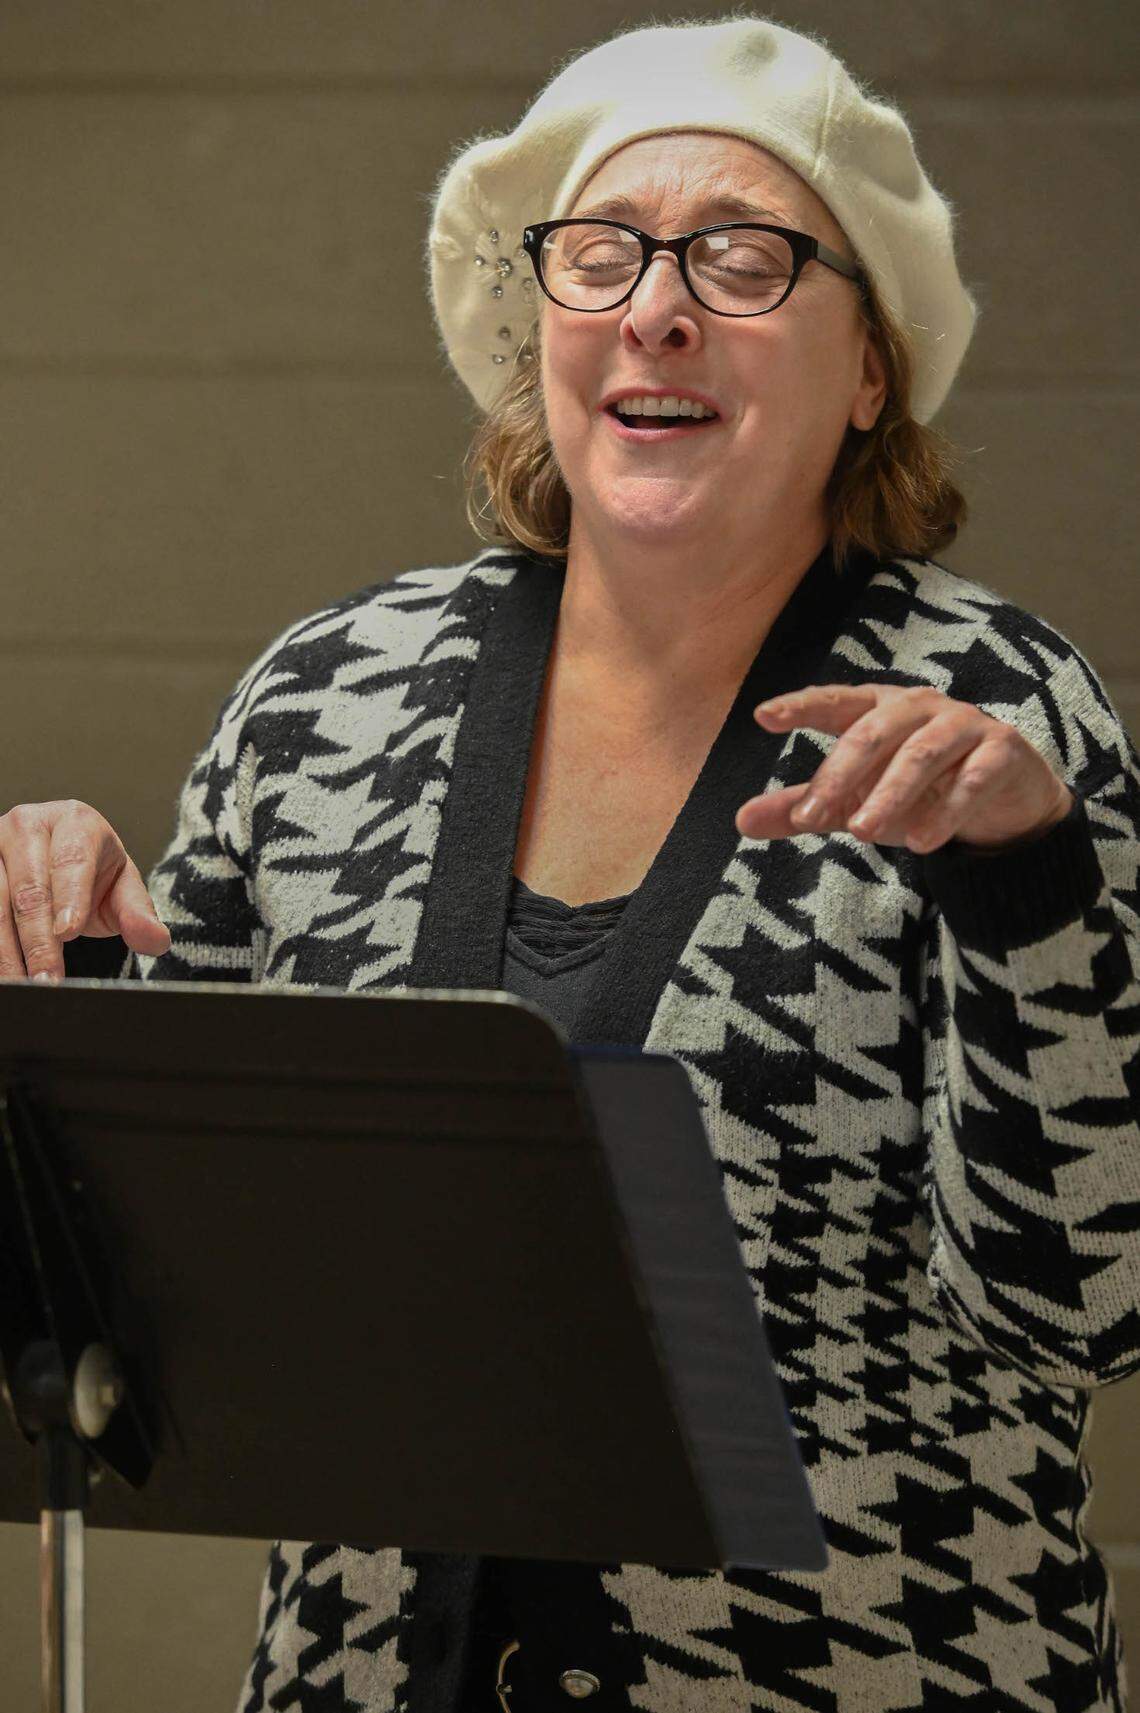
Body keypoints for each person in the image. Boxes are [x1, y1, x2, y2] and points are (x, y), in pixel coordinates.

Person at [1, 15, 1137, 1711]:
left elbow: (1084, 1310)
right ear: (540, 322)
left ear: (871, 369)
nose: (657, 307)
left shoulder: (992, 720)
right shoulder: (329, 694)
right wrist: (67, 958)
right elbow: (172, 1267)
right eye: (602, 253)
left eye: (743, 257)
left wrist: (1023, 883)